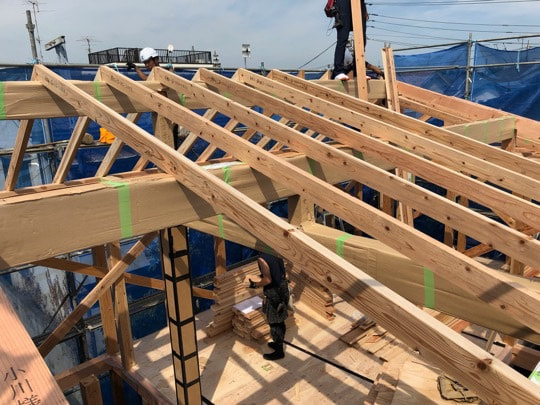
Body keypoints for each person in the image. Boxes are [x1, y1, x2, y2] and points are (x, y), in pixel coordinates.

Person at [126, 48, 184, 149]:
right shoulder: (154, 75)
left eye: (148, 62)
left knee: (170, 144)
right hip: (159, 113)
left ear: (156, 59)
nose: (146, 65)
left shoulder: (162, 73)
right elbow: (147, 80)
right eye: (145, 63)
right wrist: (136, 68)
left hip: (169, 115)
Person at [248, 253, 290, 360]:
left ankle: (279, 352)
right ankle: (278, 343)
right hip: (283, 288)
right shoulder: (276, 253)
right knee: (280, 319)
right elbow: (282, 273)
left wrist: (255, 285)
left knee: (274, 322)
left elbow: (268, 280)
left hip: (274, 292)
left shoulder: (262, 259)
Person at [332, 0, 369, 80]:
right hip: (343, 2)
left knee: (362, 38)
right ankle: (338, 71)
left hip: (359, 2)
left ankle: (359, 72)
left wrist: (365, 8)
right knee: (343, 38)